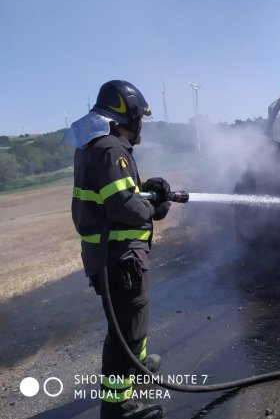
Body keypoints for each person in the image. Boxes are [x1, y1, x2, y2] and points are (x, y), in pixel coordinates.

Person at [64, 80, 170, 419]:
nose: (141, 128)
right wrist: (155, 207)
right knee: (125, 329)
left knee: (132, 319)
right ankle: (117, 405)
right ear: (130, 116)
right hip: (120, 257)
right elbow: (123, 206)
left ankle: (136, 365)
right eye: (140, 119)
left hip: (108, 256)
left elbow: (117, 194)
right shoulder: (112, 149)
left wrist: (148, 191)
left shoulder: (92, 146)